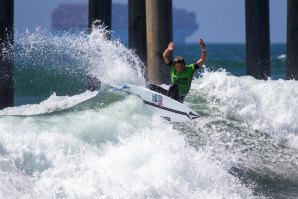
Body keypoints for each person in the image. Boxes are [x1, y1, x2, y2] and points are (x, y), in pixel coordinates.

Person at [149, 38, 207, 102]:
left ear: (184, 65)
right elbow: (165, 56)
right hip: (170, 95)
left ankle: (166, 102)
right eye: (177, 67)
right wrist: (168, 49)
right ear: (174, 66)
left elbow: (202, 60)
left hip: (180, 97)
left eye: (181, 67)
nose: (179, 69)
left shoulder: (190, 69)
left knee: (175, 86)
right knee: (150, 87)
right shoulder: (172, 66)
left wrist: (203, 49)